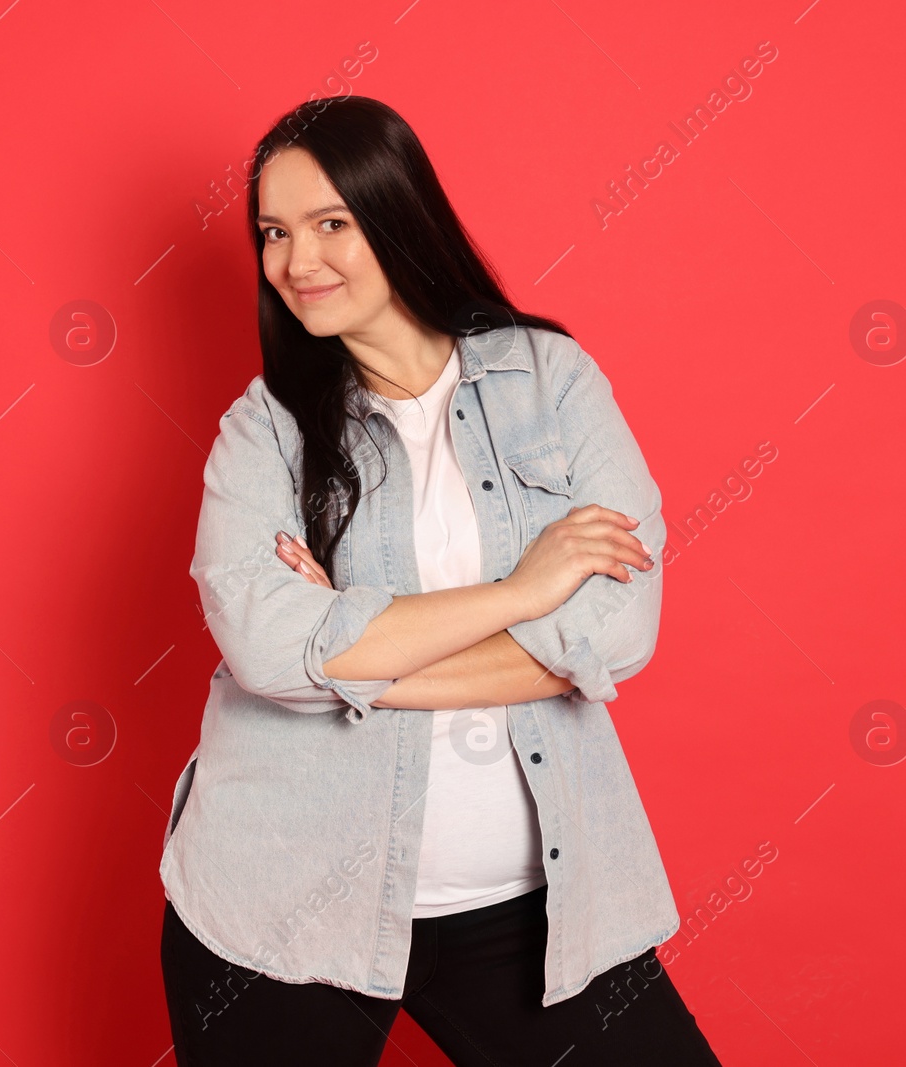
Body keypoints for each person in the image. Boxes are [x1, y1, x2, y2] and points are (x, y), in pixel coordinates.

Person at [158, 95, 721, 1066]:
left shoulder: (550, 379)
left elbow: (616, 628)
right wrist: (521, 591)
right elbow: (261, 643)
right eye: (274, 232)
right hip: (285, 899)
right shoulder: (264, 431)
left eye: (331, 223)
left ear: (398, 214)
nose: (297, 261)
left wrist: (345, 649)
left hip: (531, 910)